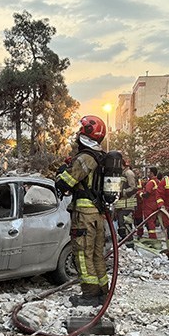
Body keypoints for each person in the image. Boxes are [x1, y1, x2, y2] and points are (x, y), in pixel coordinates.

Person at [55, 115, 109, 307]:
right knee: (96, 255)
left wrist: (61, 171)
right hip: (97, 213)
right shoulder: (101, 157)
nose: (77, 134)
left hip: (84, 215)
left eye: (81, 130)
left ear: (86, 134)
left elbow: (65, 183)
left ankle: (90, 294)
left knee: (83, 254)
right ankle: (102, 291)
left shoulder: (85, 158)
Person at [113, 155, 137, 248]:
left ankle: (129, 245)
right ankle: (125, 243)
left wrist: (122, 192)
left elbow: (133, 188)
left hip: (128, 204)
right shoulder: (122, 174)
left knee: (126, 224)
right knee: (121, 225)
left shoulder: (129, 173)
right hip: (121, 204)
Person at [139, 166, 160, 239]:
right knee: (152, 221)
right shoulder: (158, 181)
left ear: (152, 173)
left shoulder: (150, 183)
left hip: (148, 205)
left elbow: (147, 194)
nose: (147, 174)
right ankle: (151, 236)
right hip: (155, 204)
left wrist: (140, 194)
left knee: (150, 222)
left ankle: (152, 237)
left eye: (148, 172)